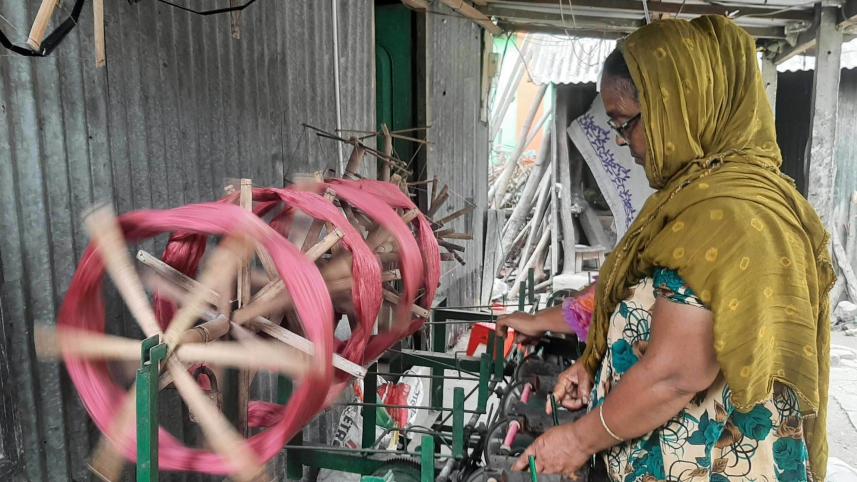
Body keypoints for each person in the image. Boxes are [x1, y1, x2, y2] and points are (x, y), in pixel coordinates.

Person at [498, 16, 833, 482]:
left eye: (627, 123)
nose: (622, 140)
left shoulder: (730, 216)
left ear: (680, 107)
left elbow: (677, 373)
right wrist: (597, 363)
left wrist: (576, 440)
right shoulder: (691, 198)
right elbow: (646, 300)